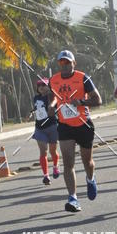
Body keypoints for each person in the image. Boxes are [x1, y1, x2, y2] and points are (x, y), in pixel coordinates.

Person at [48, 50, 102, 213]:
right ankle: (73, 198)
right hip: (65, 126)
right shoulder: (53, 80)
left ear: (74, 63)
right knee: (68, 163)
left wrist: (81, 102)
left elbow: (98, 100)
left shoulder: (83, 78)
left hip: (83, 124)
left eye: (67, 62)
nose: (64, 65)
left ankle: (90, 179)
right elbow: (53, 97)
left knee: (87, 162)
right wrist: (51, 106)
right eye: (62, 62)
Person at [30, 77, 60, 185]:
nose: (41, 87)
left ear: (48, 86)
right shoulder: (36, 98)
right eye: (39, 85)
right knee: (43, 152)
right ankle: (46, 176)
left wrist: (51, 103)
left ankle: (55, 166)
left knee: (53, 151)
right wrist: (31, 113)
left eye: (44, 85)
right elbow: (37, 108)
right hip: (40, 128)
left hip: (52, 126)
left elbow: (54, 101)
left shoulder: (51, 95)